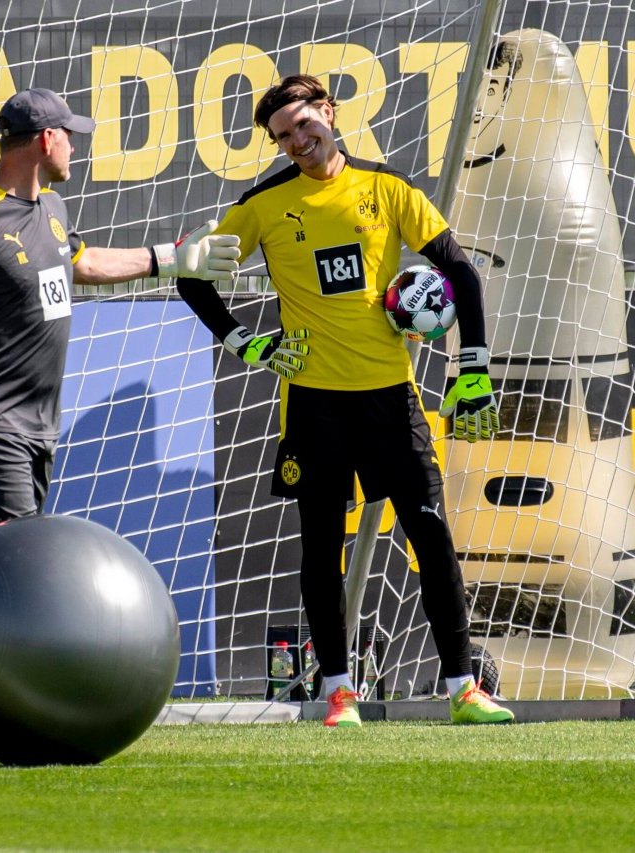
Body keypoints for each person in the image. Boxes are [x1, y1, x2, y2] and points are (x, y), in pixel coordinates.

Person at [0, 88, 240, 756]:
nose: (76, 146)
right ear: (42, 140)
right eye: (69, 135)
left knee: (1, 577)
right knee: (25, 579)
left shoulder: (48, 208)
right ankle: (21, 718)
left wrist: (169, 258)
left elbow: (79, 262)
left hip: (38, 428)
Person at [175, 74, 513, 728]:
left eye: (304, 125)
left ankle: (463, 688)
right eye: (283, 137)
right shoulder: (264, 205)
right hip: (313, 405)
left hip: (392, 398)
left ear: (329, 113)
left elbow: (461, 273)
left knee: (432, 538)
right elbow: (194, 274)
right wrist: (247, 343)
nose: (297, 142)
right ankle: (338, 691)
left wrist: (471, 365)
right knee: (321, 546)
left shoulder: (388, 188)